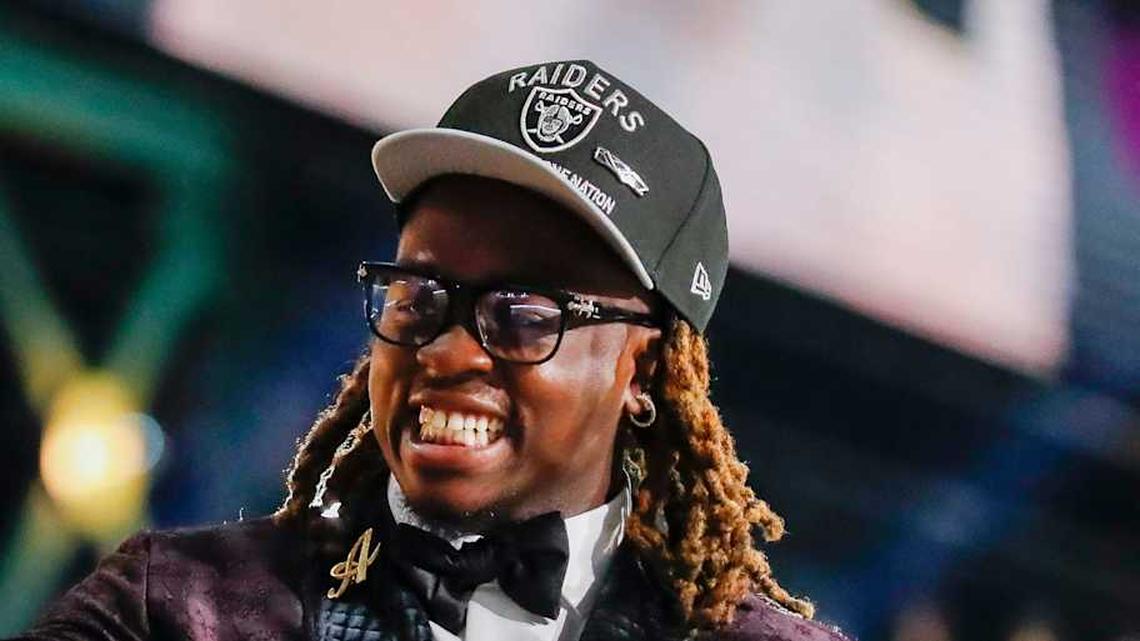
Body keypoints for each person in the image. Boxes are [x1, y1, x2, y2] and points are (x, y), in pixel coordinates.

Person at [13, 60, 850, 641]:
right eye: (420, 296)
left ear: (642, 367)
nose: (447, 351)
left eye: (523, 314)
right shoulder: (179, 607)